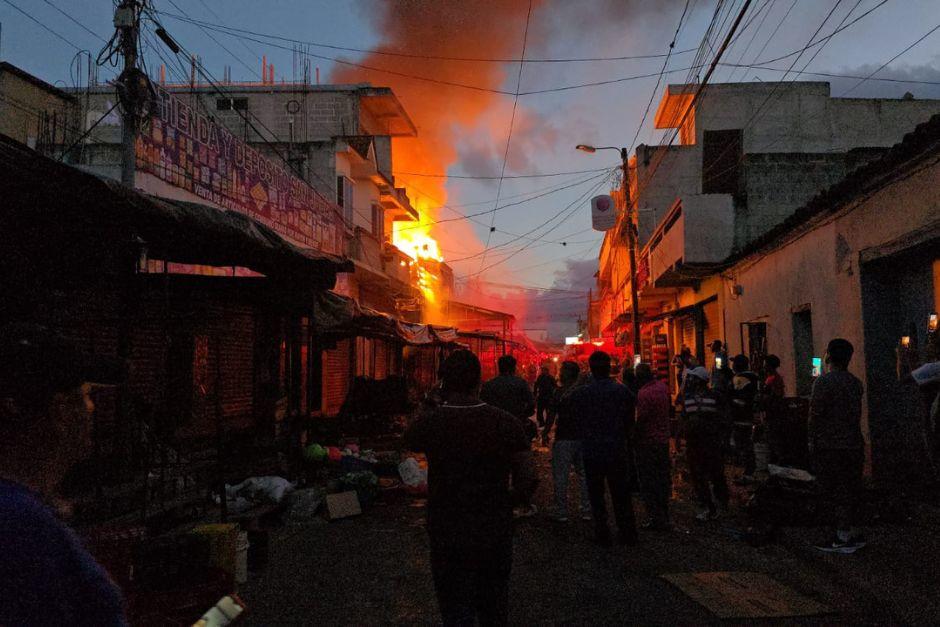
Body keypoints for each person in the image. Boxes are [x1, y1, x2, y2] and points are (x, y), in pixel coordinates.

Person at [0, 323, 127, 625]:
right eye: (86, 395)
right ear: (60, 412)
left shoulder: (26, 513)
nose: (92, 408)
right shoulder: (22, 526)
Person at [405, 349, 534, 625]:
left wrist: (430, 406)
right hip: (493, 528)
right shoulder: (505, 422)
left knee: (455, 608)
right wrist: (507, 503)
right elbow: (528, 476)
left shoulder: (432, 422)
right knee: (494, 605)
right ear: (479, 382)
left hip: (446, 527)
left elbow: (410, 437)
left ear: (443, 383)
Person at [569, 351, 638, 546]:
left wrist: (579, 382)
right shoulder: (622, 391)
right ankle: (627, 533)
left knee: (596, 495)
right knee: (621, 494)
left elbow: (567, 405)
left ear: (590, 370)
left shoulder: (583, 393)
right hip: (616, 449)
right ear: (610, 368)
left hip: (592, 451)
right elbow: (630, 418)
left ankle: (602, 532)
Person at [809, 339, 866, 553]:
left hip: (831, 445)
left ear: (828, 356)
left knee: (835, 490)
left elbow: (815, 415)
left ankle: (841, 536)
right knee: (850, 488)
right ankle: (849, 531)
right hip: (853, 443)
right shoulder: (855, 382)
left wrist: (811, 440)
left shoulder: (823, 383)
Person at [682, 366, 730, 521]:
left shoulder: (715, 397)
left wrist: (723, 438)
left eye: (693, 378)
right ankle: (708, 505)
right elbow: (685, 420)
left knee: (715, 473)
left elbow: (723, 418)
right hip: (694, 443)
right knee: (698, 476)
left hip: (711, 442)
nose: (690, 380)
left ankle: (721, 504)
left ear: (699, 381)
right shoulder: (688, 398)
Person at [545, 361, 591, 522]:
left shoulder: (559, 392)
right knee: (584, 475)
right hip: (583, 438)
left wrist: (545, 433)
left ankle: (561, 510)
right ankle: (587, 509)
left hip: (564, 438)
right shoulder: (585, 392)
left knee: (561, 476)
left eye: (561, 370)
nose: (559, 373)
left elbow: (551, 414)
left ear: (566, 374)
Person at [634, 363, 673, 530]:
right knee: (663, 479)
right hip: (663, 441)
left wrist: (634, 436)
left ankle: (655, 518)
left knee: (649, 481)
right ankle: (664, 514)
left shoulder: (644, 393)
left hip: (648, 442)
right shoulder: (662, 387)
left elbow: (642, 420)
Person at [481, 354, 537, 438]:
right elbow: (531, 404)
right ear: (514, 368)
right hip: (517, 425)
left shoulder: (489, 385)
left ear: (499, 368)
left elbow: (483, 405)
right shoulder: (521, 383)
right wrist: (523, 415)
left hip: (496, 428)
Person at [729, 354, 760, 484]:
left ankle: (747, 473)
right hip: (748, 416)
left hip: (739, 417)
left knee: (743, 445)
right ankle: (748, 472)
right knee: (747, 444)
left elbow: (735, 396)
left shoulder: (740, 379)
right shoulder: (753, 378)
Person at [761, 355, 788, 464]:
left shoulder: (773, 379)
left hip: (773, 414)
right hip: (772, 413)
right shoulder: (772, 378)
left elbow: (774, 396)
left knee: (774, 440)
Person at [534, 365, 557, 433]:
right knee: (540, 411)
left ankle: (545, 423)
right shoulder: (541, 377)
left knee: (547, 411)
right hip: (543, 396)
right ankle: (542, 422)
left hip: (547, 396)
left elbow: (554, 386)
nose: (543, 372)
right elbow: (536, 385)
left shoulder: (549, 377)